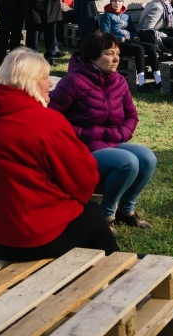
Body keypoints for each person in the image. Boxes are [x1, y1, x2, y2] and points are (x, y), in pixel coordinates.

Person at [0, 49, 116, 260]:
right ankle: (117, 272)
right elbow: (84, 182)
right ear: (30, 81)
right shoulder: (46, 122)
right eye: (45, 77)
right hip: (22, 238)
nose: (50, 84)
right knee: (92, 214)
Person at [50, 31, 157, 230]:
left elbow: (131, 116)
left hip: (113, 143)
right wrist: (86, 134)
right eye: (109, 53)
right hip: (83, 149)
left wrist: (120, 134)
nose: (116, 58)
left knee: (148, 158)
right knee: (128, 162)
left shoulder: (119, 81)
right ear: (93, 56)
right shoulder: (73, 82)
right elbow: (52, 117)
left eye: (117, 52)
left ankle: (126, 210)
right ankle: (106, 215)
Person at [98, 0, 159, 85]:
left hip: (130, 42)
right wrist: (120, 39)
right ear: (111, 2)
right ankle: (142, 82)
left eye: (119, 1)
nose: (117, 4)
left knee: (150, 47)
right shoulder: (107, 16)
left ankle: (158, 79)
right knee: (139, 49)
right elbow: (106, 35)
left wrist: (135, 37)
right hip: (117, 45)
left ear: (122, 2)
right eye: (114, 1)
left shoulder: (126, 15)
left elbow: (131, 29)